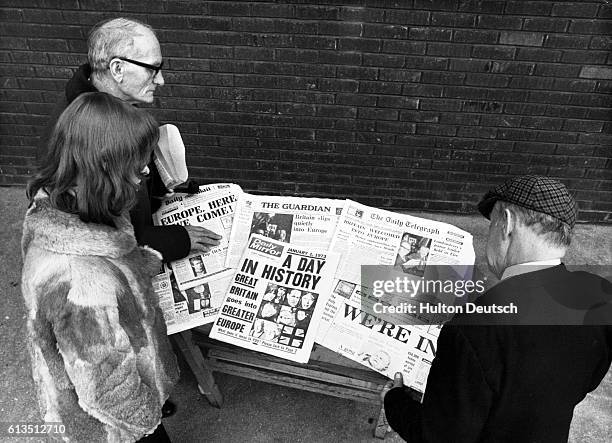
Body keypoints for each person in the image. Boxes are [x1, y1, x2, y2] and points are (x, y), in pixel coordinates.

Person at [382, 175, 612, 442]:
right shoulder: (599, 294)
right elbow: (587, 381)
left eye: (491, 224)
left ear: (507, 223)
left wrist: (394, 401)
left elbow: (437, 437)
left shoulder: (474, 330)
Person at [22, 92, 179, 442]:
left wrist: (141, 264)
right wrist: (146, 419)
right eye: (137, 161)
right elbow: (105, 389)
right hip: (118, 423)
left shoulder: (71, 206)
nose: (146, 169)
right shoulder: (80, 283)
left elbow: (109, 258)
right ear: (103, 166)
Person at [37, 17, 220, 263]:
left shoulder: (107, 104)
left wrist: (158, 183)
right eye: (152, 69)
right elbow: (104, 235)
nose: (160, 80)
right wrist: (177, 240)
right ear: (117, 69)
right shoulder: (79, 138)